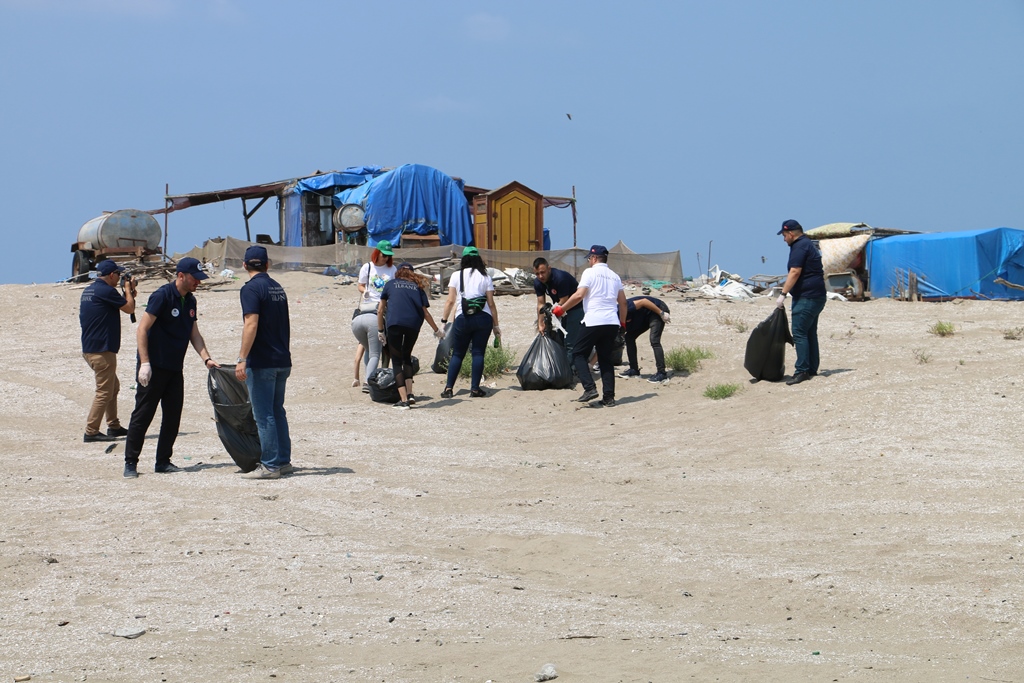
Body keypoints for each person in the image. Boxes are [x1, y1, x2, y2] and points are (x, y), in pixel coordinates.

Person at [122, 257, 219, 479]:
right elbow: (142, 330)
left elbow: (194, 334)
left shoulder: (191, 301)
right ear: (181, 276)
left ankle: (163, 461)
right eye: (195, 278)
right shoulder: (162, 296)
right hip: (153, 366)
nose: (199, 283)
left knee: (173, 415)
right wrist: (145, 363)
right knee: (143, 414)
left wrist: (207, 359)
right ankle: (130, 462)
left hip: (175, 367)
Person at [235, 246, 293, 479]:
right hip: (282, 359)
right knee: (277, 411)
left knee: (264, 414)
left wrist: (242, 358)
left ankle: (270, 466)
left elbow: (251, 323)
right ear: (267, 264)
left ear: (245, 265)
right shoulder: (277, 287)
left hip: (263, 361)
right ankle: (283, 461)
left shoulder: (250, 289)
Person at [553, 245, 626, 406]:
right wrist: (622, 323)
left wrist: (561, 309)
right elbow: (623, 303)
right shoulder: (615, 276)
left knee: (578, 354)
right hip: (611, 322)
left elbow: (579, 295)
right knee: (605, 360)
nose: (588, 262)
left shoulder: (589, 273)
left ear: (593, 258)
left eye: (589, 259)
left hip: (594, 320)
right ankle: (609, 397)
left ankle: (589, 388)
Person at [79, 259, 136, 442]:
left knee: (113, 387)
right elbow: (129, 308)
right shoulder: (106, 291)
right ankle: (91, 431)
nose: (119, 277)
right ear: (111, 275)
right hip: (102, 350)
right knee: (104, 391)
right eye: (118, 275)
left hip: (91, 348)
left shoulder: (89, 290)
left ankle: (113, 425)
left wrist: (127, 291)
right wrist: (128, 290)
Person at [377, 262, 443, 409]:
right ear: (412, 273)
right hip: (414, 324)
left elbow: (380, 310)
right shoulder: (418, 287)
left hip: (394, 323)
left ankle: (404, 400)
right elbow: (425, 313)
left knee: (396, 360)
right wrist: (436, 330)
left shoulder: (390, 284)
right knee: (407, 356)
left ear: (398, 272)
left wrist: (380, 331)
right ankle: (411, 394)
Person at [440, 247, 501, 399]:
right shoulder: (485, 276)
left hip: (463, 317)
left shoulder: (456, 275)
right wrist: (496, 326)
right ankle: (474, 389)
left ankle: (448, 388)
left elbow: (450, 301)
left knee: (458, 354)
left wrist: (444, 321)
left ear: (464, 259)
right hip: (483, 318)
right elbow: (491, 303)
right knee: (478, 352)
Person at [776, 219, 826, 385]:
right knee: (810, 332)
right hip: (817, 296)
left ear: (791, 234)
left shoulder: (799, 246)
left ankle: (802, 370)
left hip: (807, 297)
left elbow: (795, 271)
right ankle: (812, 368)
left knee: (799, 333)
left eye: (784, 236)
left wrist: (783, 293)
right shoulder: (808, 244)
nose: (783, 240)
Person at [352, 240, 396, 390]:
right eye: (384, 255)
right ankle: (369, 380)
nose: (386, 259)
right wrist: (364, 292)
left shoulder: (392, 269)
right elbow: (360, 284)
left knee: (377, 347)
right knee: (371, 348)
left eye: (389, 256)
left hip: (385, 308)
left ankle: (371, 377)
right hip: (368, 306)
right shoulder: (367, 267)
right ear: (377, 253)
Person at [533, 257, 583, 363]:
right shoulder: (538, 282)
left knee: (570, 341)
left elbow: (564, 300)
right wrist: (540, 323)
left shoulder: (560, 278)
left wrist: (552, 311)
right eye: (537, 274)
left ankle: (570, 371)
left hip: (575, 308)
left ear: (549, 269)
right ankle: (561, 367)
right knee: (559, 340)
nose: (540, 276)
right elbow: (540, 303)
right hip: (559, 309)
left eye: (543, 272)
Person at [621, 295, 672, 383]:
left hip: (657, 309)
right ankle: (634, 370)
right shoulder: (611, 323)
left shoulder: (623, 308)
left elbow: (644, 301)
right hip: (644, 316)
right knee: (629, 337)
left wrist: (661, 313)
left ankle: (662, 374)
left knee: (654, 340)